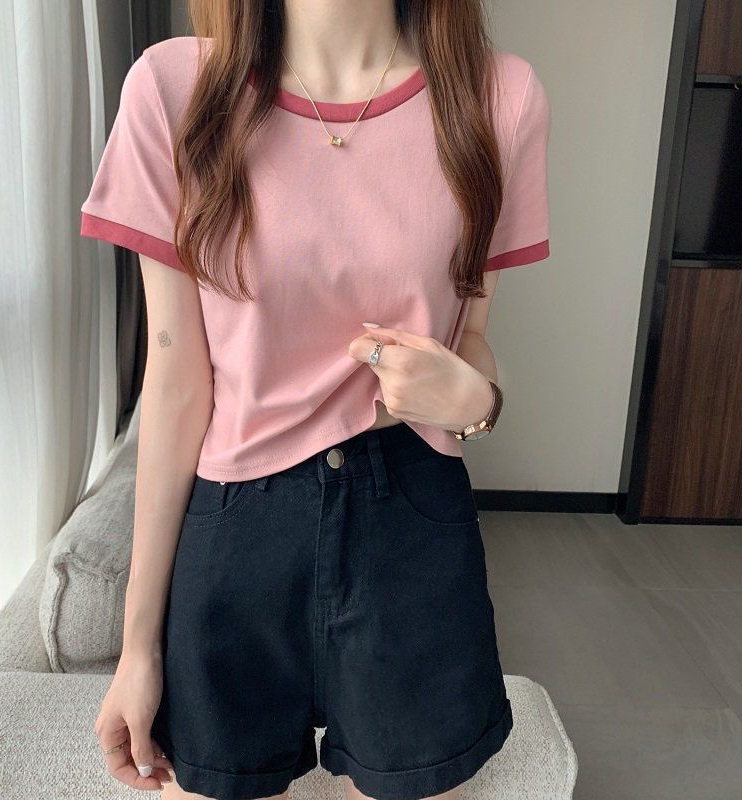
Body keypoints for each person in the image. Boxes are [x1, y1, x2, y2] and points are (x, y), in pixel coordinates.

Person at [80, 1, 551, 798]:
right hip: (236, 522)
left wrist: (478, 403)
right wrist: (138, 648)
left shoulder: (499, 98)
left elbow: (471, 340)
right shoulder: (173, 88)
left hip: (411, 519)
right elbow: (175, 376)